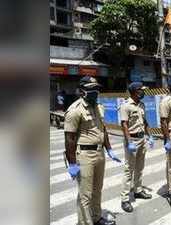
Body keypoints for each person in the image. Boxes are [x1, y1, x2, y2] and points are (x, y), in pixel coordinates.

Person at [64, 76, 121, 225]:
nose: (95, 92)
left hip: (99, 153)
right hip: (84, 155)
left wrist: (109, 149)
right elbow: (69, 138)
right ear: (82, 91)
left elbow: (103, 129)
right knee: (85, 194)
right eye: (91, 90)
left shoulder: (98, 106)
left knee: (97, 190)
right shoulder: (74, 110)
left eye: (96, 89)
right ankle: (85, 222)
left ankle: (96, 218)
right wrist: (72, 163)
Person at [120, 82, 154, 212]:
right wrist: (129, 142)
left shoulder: (141, 104)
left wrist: (149, 136)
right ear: (135, 91)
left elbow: (144, 122)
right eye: (141, 90)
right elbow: (124, 124)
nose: (143, 92)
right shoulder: (126, 105)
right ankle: (125, 199)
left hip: (141, 138)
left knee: (140, 167)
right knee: (129, 170)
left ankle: (138, 190)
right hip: (132, 139)